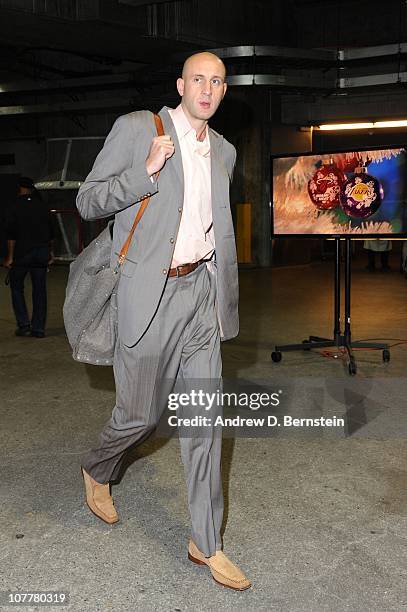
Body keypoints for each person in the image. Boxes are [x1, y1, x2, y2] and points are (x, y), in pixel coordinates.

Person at [76, 52, 251, 591]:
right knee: (141, 414)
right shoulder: (137, 130)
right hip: (150, 292)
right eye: (198, 78)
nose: (208, 88)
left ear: (224, 92)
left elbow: (216, 231)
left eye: (217, 81)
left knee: (204, 417)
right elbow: (87, 202)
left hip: (200, 292)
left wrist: (223, 299)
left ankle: (206, 541)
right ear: (181, 84)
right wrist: (143, 171)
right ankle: (98, 468)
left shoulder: (224, 150)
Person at [4, 177, 54, 338]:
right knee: (39, 290)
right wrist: (50, 252)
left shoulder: (14, 207)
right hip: (41, 252)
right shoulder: (43, 206)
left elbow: (11, 234)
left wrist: (10, 257)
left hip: (22, 253)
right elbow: (52, 231)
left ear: (19, 188)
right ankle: (38, 328)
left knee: (17, 287)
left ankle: (24, 324)